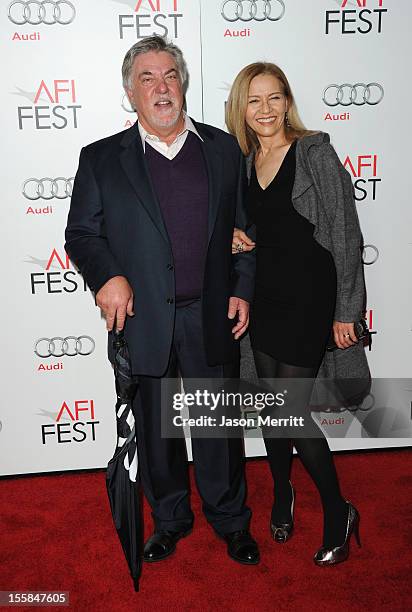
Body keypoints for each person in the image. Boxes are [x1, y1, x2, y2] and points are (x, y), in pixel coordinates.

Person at [65, 36, 259, 565]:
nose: (161, 87)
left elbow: (246, 229)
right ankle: (169, 519)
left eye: (169, 75)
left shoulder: (222, 149)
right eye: (147, 78)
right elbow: (82, 235)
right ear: (130, 92)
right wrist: (108, 277)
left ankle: (230, 521)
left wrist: (242, 287)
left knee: (217, 426)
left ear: (184, 83)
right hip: (145, 314)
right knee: (156, 427)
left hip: (210, 311)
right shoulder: (101, 159)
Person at [226, 62, 366, 565]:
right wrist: (235, 239)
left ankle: (337, 511)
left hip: (309, 301)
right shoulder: (241, 162)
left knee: (290, 410)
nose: (265, 110)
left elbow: (346, 234)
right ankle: (283, 491)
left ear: (287, 102)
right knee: (270, 408)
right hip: (263, 299)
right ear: (241, 107)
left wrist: (348, 309)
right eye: (254, 100)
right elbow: (241, 227)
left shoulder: (314, 154)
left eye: (275, 98)